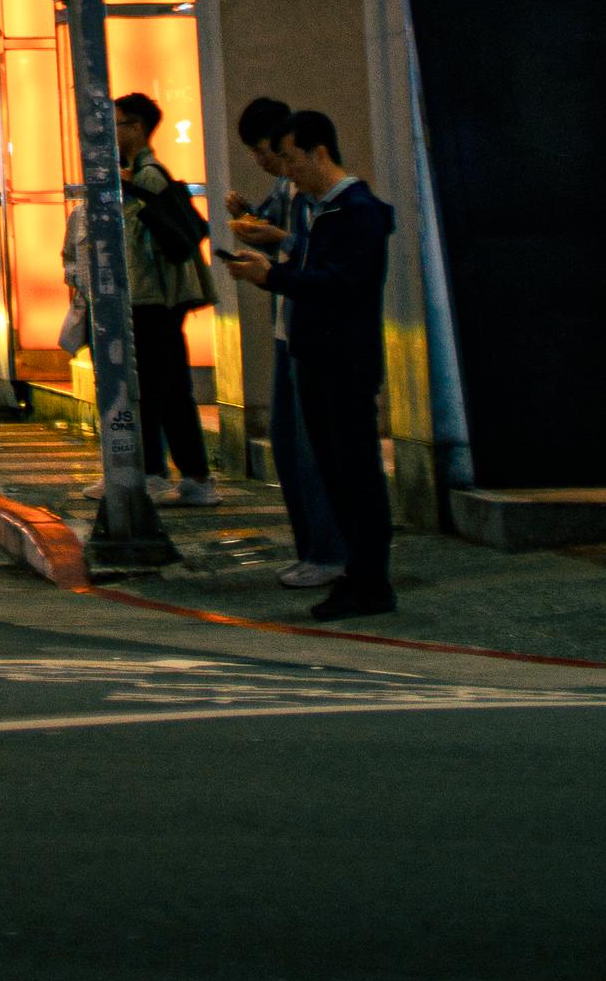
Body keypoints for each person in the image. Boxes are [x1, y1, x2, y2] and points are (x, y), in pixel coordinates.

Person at [229, 107, 398, 621]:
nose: (287, 169)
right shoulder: (325, 209)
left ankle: (369, 582)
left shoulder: (356, 210)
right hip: (318, 357)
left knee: (356, 474)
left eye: (291, 157)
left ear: (318, 152)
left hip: (344, 360)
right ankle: (355, 577)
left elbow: (340, 284)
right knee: (336, 471)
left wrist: (271, 276)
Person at [229, 98, 342, 565]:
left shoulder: (341, 202)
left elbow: (320, 262)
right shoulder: (292, 192)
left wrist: (274, 247)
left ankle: (328, 553)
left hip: (312, 334)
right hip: (289, 326)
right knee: (291, 444)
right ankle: (314, 550)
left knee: (312, 448)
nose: (278, 166)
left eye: (281, 155)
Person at [109, 94, 217, 505]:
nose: (111, 132)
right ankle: (190, 477)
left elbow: (138, 248)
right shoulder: (143, 174)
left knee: (156, 390)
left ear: (136, 128)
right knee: (169, 389)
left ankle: (160, 473)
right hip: (161, 299)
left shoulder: (146, 177)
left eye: (117, 124)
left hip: (153, 299)